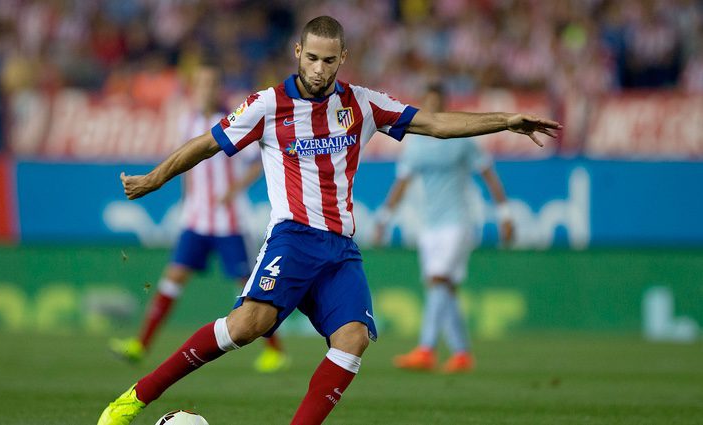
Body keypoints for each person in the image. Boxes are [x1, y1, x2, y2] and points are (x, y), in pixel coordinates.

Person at [98, 15, 560, 425]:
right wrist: (155, 179)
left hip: (340, 250)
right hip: (293, 240)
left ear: (343, 59)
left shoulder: (361, 104)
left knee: (353, 338)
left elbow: (435, 124)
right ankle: (135, 398)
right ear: (298, 52)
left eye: (329, 60)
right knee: (245, 327)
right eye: (312, 57)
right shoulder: (267, 104)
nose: (319, 69)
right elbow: (206, 142)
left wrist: (505, 120)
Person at [108, 66, 289, 373]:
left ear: (218, 87)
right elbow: (184, 164)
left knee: (250, 290)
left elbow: (258, 163)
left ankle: (275, 351)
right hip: (196, 220)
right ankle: (141, 345)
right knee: (172, 278)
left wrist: (234, 190)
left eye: (212, 83)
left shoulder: (233, 121)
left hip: (229, 223)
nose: (206, 89)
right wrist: (186, 202)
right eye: (202, 83)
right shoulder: (187, 122)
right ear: (195, 87)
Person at [374, 83, 514, 373]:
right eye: (428, 104)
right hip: (430, 225)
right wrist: (384, 218)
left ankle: (426, 349)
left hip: (459, 221)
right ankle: (462, 353)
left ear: (445, 106)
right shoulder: (416, 144)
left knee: (439, 280)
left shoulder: (461, 139)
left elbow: (489, 174)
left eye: (437, 104)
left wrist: (505, 214)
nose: (433, 110)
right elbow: (402, 182)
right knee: (443, 288)